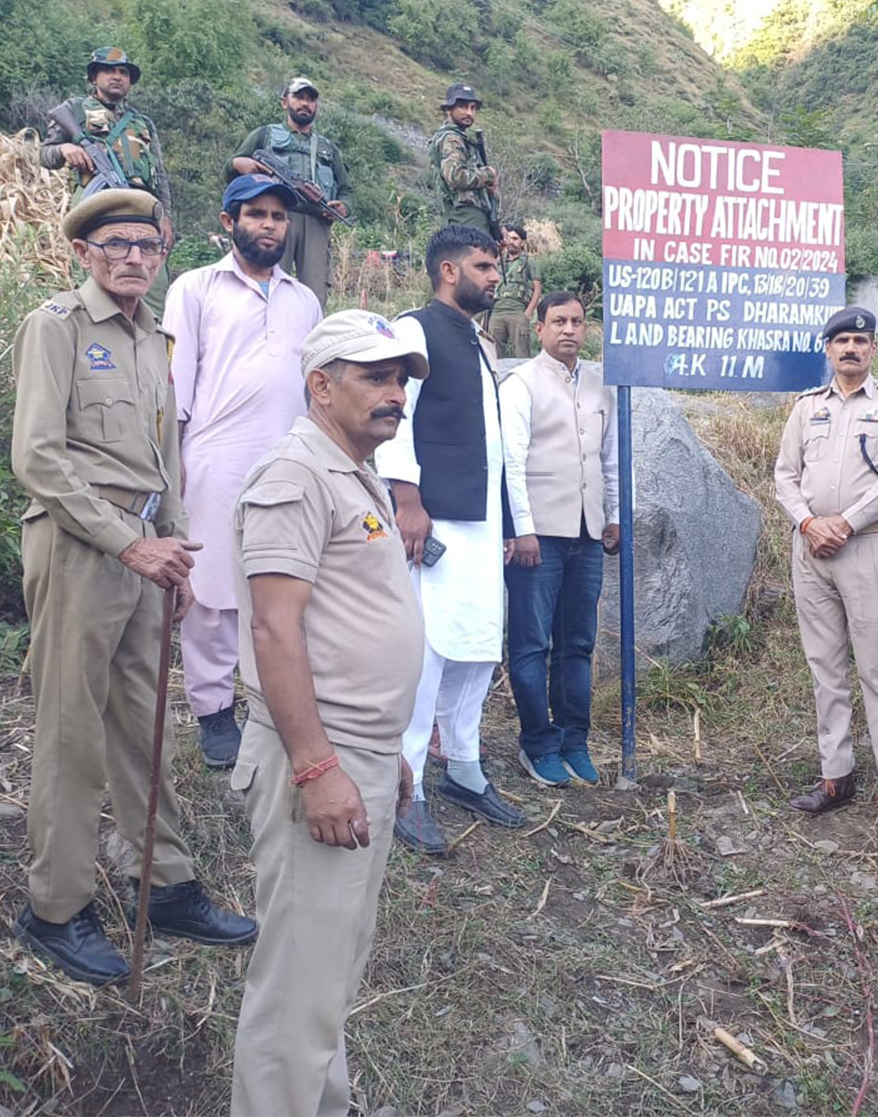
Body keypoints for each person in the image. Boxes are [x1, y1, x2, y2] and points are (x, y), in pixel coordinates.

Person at [10, 189, 256, 986]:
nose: (134, 258)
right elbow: (38, 458)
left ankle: (167, 883)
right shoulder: (57, 326)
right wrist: (128, 544)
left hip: (149, 552)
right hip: (82, 548)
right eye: (116, 244)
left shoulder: (154, 336)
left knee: (143, 724)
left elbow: (164, 456)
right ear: (84, 253)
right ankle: (56, 907)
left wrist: (175, 552)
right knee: (72, 728)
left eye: (148, 246)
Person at [228, 309, 429, 1116]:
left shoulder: (352, 470)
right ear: (320, 385)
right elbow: (274, 629)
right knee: (297, 986)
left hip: (358, 751)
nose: (395, 394)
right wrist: (318, 767)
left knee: (331, 968)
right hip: (318, 759)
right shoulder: (296, 476)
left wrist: (386, 748)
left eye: (400, 379)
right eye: (376, 377)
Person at [165, 174, 323, 770]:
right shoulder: (195, 288)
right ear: (229, 223)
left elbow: (315, 390)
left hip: (288, 461)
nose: (270, 225)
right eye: (257, 214)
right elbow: (176, 382)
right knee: (211, 592)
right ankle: (213, 714)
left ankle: (272, 706)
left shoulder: (303, 300)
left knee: (281, 584)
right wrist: (174, 461)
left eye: (278, 216)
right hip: (215, 457)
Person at [375, 224, 523, 854]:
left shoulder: (477, 339)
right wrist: (407, 500)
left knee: (476, 646)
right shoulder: (413, 330)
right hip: (434, 518)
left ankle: (464, 766)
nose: (495, 277)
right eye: (484, 267)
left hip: (481, 521)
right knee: (429, 650)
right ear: (448, 271)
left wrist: (508, 522)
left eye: (495, 267)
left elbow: (493, 442)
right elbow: (395, 415)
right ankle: (405, 783)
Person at [774, 306, 878, 836]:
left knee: (877, 670)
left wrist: (845, 523)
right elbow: (784, 475)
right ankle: (837, 777)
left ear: (873, 349)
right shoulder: (806, 406)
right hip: (811, 550)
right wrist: (810, 522)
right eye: (841, 342)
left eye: (860, 341)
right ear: (828, 350)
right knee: (825, 668)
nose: (851, 349)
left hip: (865, 546)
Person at [502, 292, 619, 788]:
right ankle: (539, 743)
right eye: (558, 322)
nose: (569, 330)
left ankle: (575, 741)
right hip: (539, 537)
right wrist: (521, 529)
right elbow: (512, 461)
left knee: (578, 643)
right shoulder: (521, 383)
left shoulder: (600, 385)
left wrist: (615, 515)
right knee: (532, 643)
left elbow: (609, 458)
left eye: (577, 321)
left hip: (587, 534)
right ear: (541, 328)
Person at [40, 47, 175, 315]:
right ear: (94, 77)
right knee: (96, 274)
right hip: (95, 204)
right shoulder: (75, 111)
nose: (117, 76)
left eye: (123, 72)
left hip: (141, 207)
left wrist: (166, 216)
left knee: (152, 281)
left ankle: (151, 334)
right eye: (109, 71)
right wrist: (65, 149)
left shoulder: (143, 123)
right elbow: (45, 155)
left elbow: (159, 174)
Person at [228, 77, 352, 306]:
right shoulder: (264, 135)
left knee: (315, 293)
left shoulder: (328, 148)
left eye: (311, 99)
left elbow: (347, 189)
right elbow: (231, 169)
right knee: (266, 283)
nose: (305, 103)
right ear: (284, 102)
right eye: (299, 97)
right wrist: (238, 164)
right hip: (274, 217)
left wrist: (344, 207)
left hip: (316, 223)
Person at [430, 83, 498, 239]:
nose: (469, 113)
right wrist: (489, 174)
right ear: (449, 109)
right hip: (465, 215)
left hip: (469, 216)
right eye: (463, 107)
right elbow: (456, 177)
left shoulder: (459, 137)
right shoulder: (451, 138)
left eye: (473, 108)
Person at [487, 222, 543, 359]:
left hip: (518, 311)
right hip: (497, 311)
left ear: (522, 242)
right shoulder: (498, 261)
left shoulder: (529, 262)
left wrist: (528, 313)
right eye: (509, 238)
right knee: (493, 354)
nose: (511, 242)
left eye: (515, 239)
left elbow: (537, 289)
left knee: (521, 354)